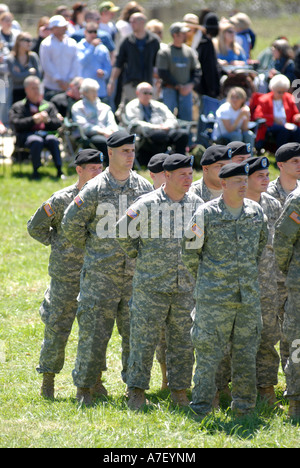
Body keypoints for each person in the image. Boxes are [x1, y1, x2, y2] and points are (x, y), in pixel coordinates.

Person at [61, 130, 153, 406]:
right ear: (110, 153)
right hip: (100, 276)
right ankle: (86, 390)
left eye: (132, 150)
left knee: (135, 335)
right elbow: (70, 224)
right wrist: (93, 248)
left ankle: (135, 392)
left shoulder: (143, 188)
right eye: (124, 150)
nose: (130, 155)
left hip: (134, 277)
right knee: (93, 335)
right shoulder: (95, 188)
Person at [116, 153, 203, 410]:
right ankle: (136, 391)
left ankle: (179, 392)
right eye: (182, 175)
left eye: (190, 174)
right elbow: (122, 231)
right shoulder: (147, 203)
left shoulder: (197, 204)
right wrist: (138, 255)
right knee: (143, 340)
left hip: (185, 287)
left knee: (183, 343)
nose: (189, 179)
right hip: (151, 286)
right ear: (167, 176)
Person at [182, 161, 268, 417]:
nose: (243, 185)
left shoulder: (255, 212)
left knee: (245, 358)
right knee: (208, 358)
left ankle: (244, 409)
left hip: (247, 301)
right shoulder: (206, 214)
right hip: (213, 301)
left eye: (245, 180)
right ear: (223, 184)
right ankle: (201, 409)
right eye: (237, 181)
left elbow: (260, 248)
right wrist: (209, 280)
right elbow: (189, 253)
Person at [27, 149, 103, 399]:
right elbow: (35, 226)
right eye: (92, 168)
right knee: (57, 328)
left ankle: (95, 381)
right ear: (79, 170)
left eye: (99, 168)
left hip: (95, 275)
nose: (97, 172)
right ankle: (48, 380)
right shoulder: (61, 199)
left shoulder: (104, 198)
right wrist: (56, 242)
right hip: (66, 277)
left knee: (93, 331)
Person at [244, 156, 282, 405]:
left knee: (268, 337)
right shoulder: (234, 206)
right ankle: (229, 389)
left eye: (268, 175)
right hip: (239, 284)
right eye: (260, 176)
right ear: (245, 179)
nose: (266, 180)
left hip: (268, 283)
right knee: (235, 340)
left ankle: (266, 388)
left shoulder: (274, 205)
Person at [267, 143, 300, 372]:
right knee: (270, 331)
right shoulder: (267, 194)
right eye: (295, 161)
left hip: (294, 274)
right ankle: (266, 384)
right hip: (271, 273)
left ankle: (292, 378)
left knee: (294, 331)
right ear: (280, 165)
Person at [274, 185, 300, 420]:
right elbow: (282, 241)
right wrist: (292, 271)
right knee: (297, 345)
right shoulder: (298, 200)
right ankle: (296, 402)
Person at [9, 76, 64, 180]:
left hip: (46, 134)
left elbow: (58, 123)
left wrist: (48, 121)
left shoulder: (48, 105)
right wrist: (33, 120)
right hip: (26, 136)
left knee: (53, 139)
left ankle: (59, 170)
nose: (36, 91)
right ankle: (36, 171)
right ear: (26, 90)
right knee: (36, 141)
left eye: (38, 88)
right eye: (33, 88)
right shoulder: (19, 106)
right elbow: (16, 124)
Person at [124, 82, 189, 165]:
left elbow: (172, 118)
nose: (148, 95)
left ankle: (179, 163)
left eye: (150, 93)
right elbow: (135, 122)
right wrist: (155, 127)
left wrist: (166, 126)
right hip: (146, 133)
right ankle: (159, 162)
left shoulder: (159, 105)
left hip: (165, 130)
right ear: (137, 93)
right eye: (145, 93)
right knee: (159, 135)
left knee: (182, 134)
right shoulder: (131, 106)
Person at [107, 12, 160, 107]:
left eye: (134, 22)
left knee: (148, 109)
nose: (131, 24)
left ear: (142, 22)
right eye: (130, 22)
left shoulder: (153, 40)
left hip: (148, 83)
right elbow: (118, 63)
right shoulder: (127, 41)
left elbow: (158, 63)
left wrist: (158, 81)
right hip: (131, 84)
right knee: (132, 108)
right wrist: (112, 81)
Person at [156, 22, 201, 121]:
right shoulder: (165, 52)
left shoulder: (189, 52)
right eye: (183, 33)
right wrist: (177, 85)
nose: (186, 36)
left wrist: (190, 85)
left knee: (186, 120)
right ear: (175, 35)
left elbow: (196, 71)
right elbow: (163, 73)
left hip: (186, 91)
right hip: (170, 90)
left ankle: (187, 136)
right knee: (168, 118)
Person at [71, 78, 119, 162]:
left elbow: (112, 122)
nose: (95, 93)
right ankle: (111, 168)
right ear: (84, 93)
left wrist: (112, 130)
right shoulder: (77, 107)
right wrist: (102, 131)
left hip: (108, 133)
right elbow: (84, 126)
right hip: (89, 136)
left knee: (124, 138)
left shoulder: (105, 107)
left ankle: (129, 168)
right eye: (92, 91)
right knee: (104, 142)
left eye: (96, 91)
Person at [253, 74, 300, 151]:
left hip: (287, 125)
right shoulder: (264, 99)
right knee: (283, 131)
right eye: (279, 92)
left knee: (297, 131)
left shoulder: (288, 98)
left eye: (284, 92)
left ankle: (296, 154)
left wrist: (297, 117)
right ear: (273, 89)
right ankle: (281, 154)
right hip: (270, 126)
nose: (282, 94)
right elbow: (258, 115)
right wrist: (273, 119)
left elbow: (294, 114)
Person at [39, 15, 81, 101]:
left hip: (69, 87)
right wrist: (58, 80)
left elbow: (76, 62)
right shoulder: (46, 44)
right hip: (51, 87)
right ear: (53, 28)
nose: (64, 28)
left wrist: (70, 80)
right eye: (61, 26)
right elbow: (46, 64)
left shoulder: (72, 43)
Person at [77, 22, 112, 101]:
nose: (93, 34)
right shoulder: (79, 47)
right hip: (84, 91)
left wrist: (104, 73)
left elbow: (108, 67)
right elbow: (82, 62)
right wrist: (92, 47)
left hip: (100, 91)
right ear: (85, 32)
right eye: (90, 31)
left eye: (95, 31)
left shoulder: (103, 48)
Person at [7, 32, 42, 103]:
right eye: (27, 40)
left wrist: (21, 74)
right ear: (19, 41)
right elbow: (15, 78)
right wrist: (29, 72)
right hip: (17, 92)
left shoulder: (33, 57)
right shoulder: (11, 59)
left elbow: (38, 76)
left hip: (32, 91)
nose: (30, 43)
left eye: (31, 40)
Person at [195, 12, 221, 99]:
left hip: (201, 86)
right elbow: (208, 67)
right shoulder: (206, 44)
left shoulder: (201, 41)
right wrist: (212, 89)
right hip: (206, 88)